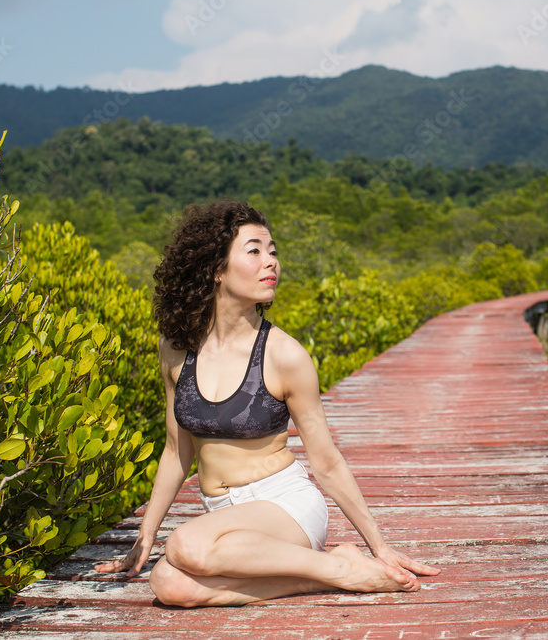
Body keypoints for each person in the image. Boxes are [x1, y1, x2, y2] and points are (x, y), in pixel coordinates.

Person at [95, 200, 440, 606]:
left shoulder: (283, 355)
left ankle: (341, 566)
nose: (271, 262)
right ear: (216, 269)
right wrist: (146, 535)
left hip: (285, 507)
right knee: (168, 584)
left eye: (273, 251)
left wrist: (380, 546)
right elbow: (177, 450)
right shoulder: (176, 350)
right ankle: (333, 569)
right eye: (255, 250)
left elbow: (327, 463)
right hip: (226, 520)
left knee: (186, 546)